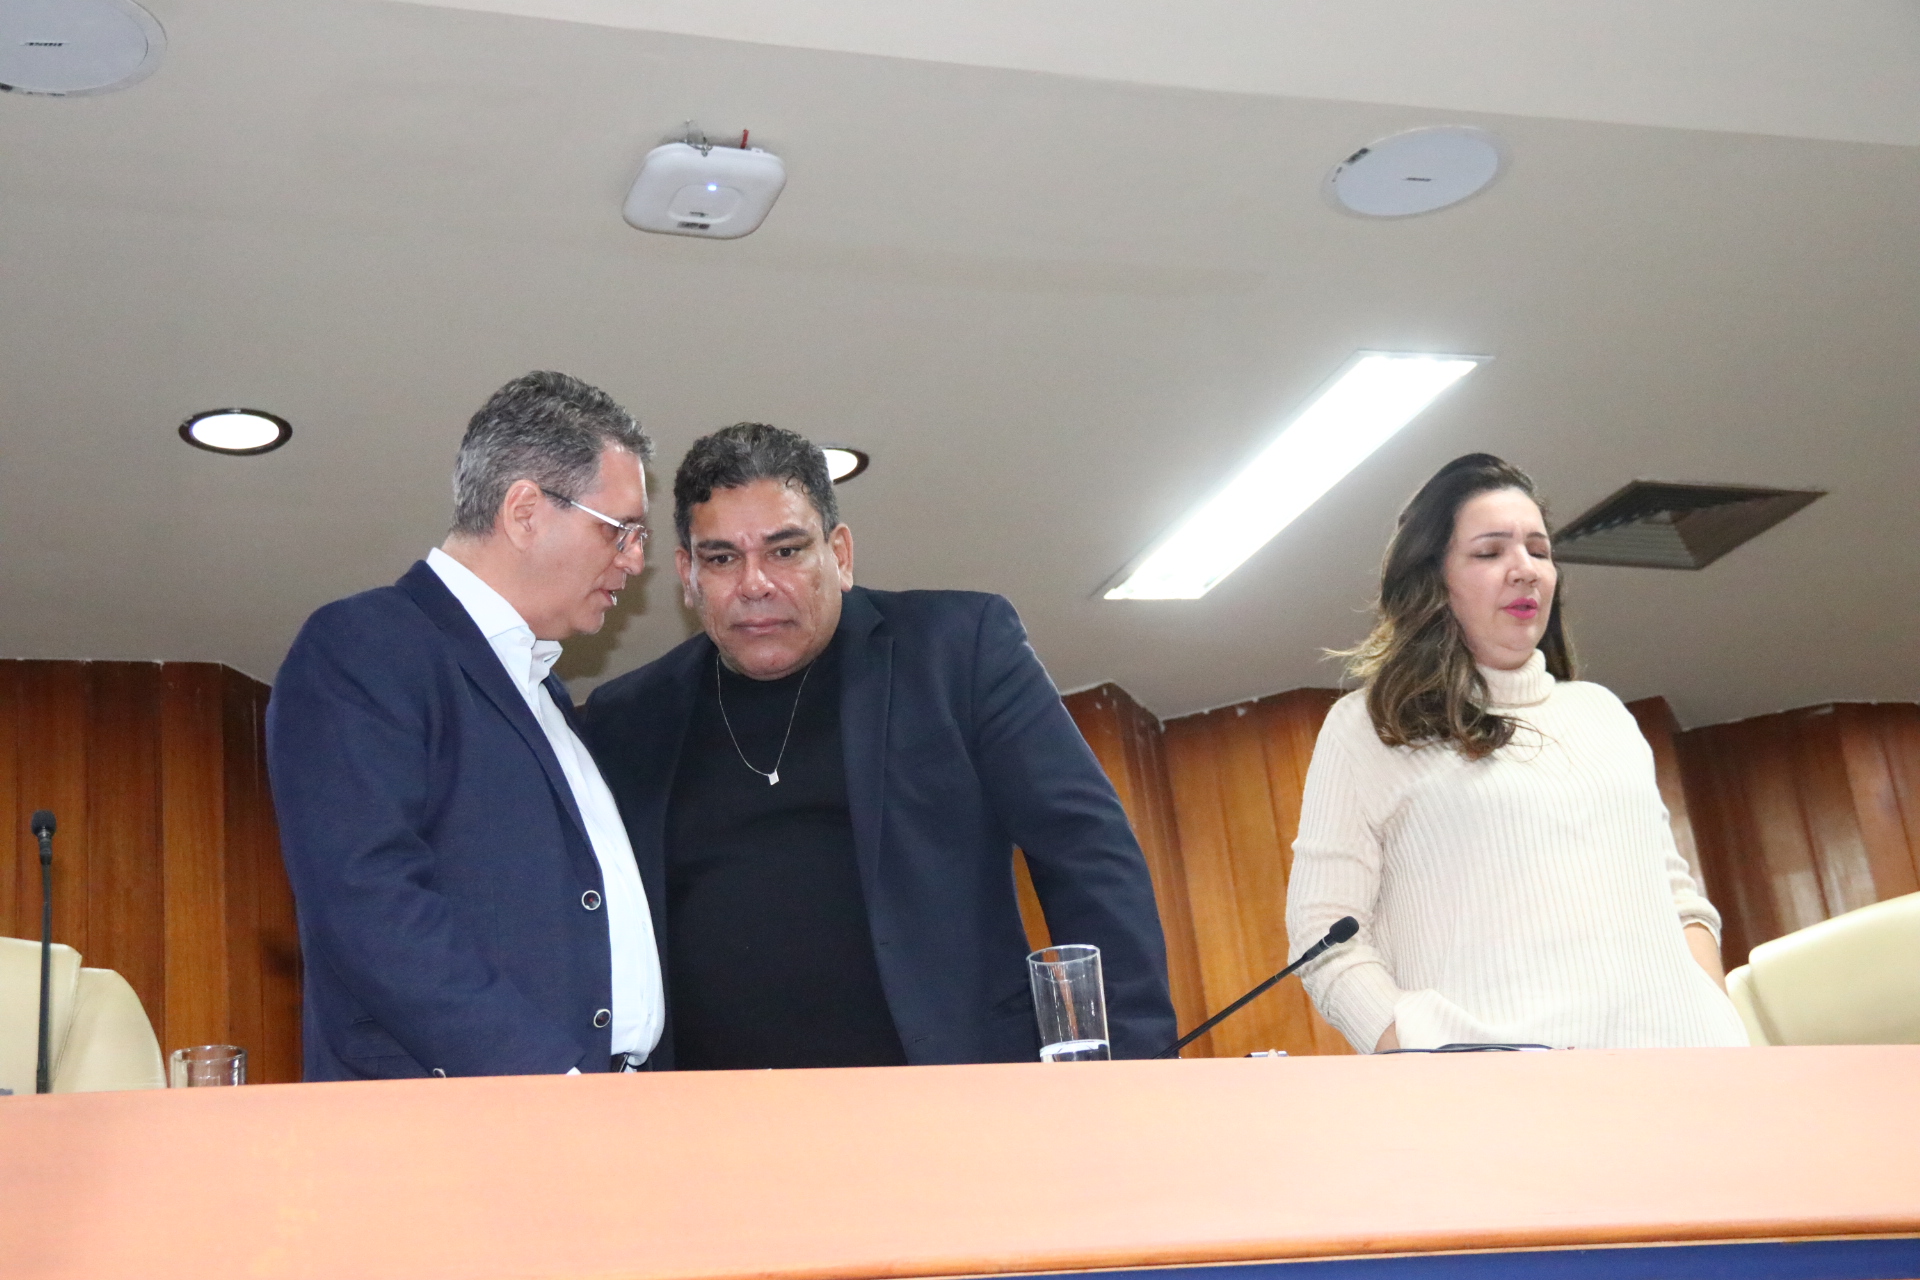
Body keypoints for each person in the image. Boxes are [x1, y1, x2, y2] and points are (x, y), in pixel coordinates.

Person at [583, 423, 1176, 1068]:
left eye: (785, 550)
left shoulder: (957, 649)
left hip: (949, 1095)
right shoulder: (628, 717)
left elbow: (1087, 853)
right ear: (687, 574)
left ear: (839, 554)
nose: (754, 584)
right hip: (710, 1110)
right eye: (722, 558)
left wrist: (1133, 1069)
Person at [267, 372, 666, 1080]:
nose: (636, 559)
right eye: (620, 530)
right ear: (525, 512)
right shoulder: (366, 646)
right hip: (467, 1119)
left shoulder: (545, 694)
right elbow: (370, 903)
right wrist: (549, 1082)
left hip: (600, 1108)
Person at [1285, 453, 1749, 1053]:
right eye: (1490, 552)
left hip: (1682, 1068)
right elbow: (1323, 933)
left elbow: (1678, 899)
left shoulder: (1604, 713)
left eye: (1539, 549)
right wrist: (1421, 1048)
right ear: (1433, 580)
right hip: (1497, 1085)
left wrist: (1716, 1020)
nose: (1525, 570)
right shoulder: (1368, 725)